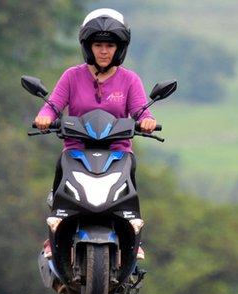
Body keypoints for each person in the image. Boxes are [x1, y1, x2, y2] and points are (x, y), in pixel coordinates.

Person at [34, 8, 155, 261]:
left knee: (131, 175)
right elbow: (53, 105)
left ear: (119, 48)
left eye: (109, 45)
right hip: (76, 150)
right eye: (98, 44)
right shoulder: (72, 76)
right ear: (88, 46)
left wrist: (147, 121)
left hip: (118, 152)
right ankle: (54, 234)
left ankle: (133, 236)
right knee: (60, 174)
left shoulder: (129, 80)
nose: (103, 51)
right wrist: (45, 116)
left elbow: (142, 111)